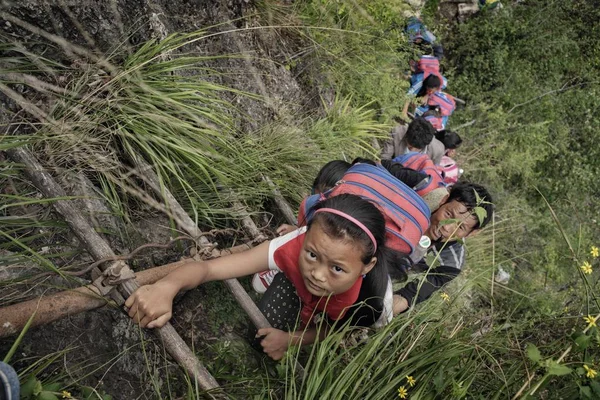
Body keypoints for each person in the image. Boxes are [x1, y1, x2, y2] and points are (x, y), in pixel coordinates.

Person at [126, 194, 397, 360]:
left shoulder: (368, 303)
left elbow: (334, 329)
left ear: (366, 266)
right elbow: (211, 268)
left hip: (351, 313)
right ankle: (288, 282)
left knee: (341, 320)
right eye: (312, 255)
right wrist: (167, 286)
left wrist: (291, 340)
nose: (317, 274)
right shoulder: (292, 245)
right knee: (267, 324)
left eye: (337, 268)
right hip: (302, 280)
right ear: (305, 235)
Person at [392, 182, 494, 314]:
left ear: (473, 233)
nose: (447, 227)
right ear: (444, 201)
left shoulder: (451, 264)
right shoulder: (421, 200)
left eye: (460, 227)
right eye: (448, 215)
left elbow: (408, 296)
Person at [380, 117, 445, 165]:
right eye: (410, 147)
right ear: (406, 136)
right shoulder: (396, 133)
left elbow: (431, 173)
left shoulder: (438, 150)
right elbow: (385, 159)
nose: (412, 151)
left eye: (417, 150)